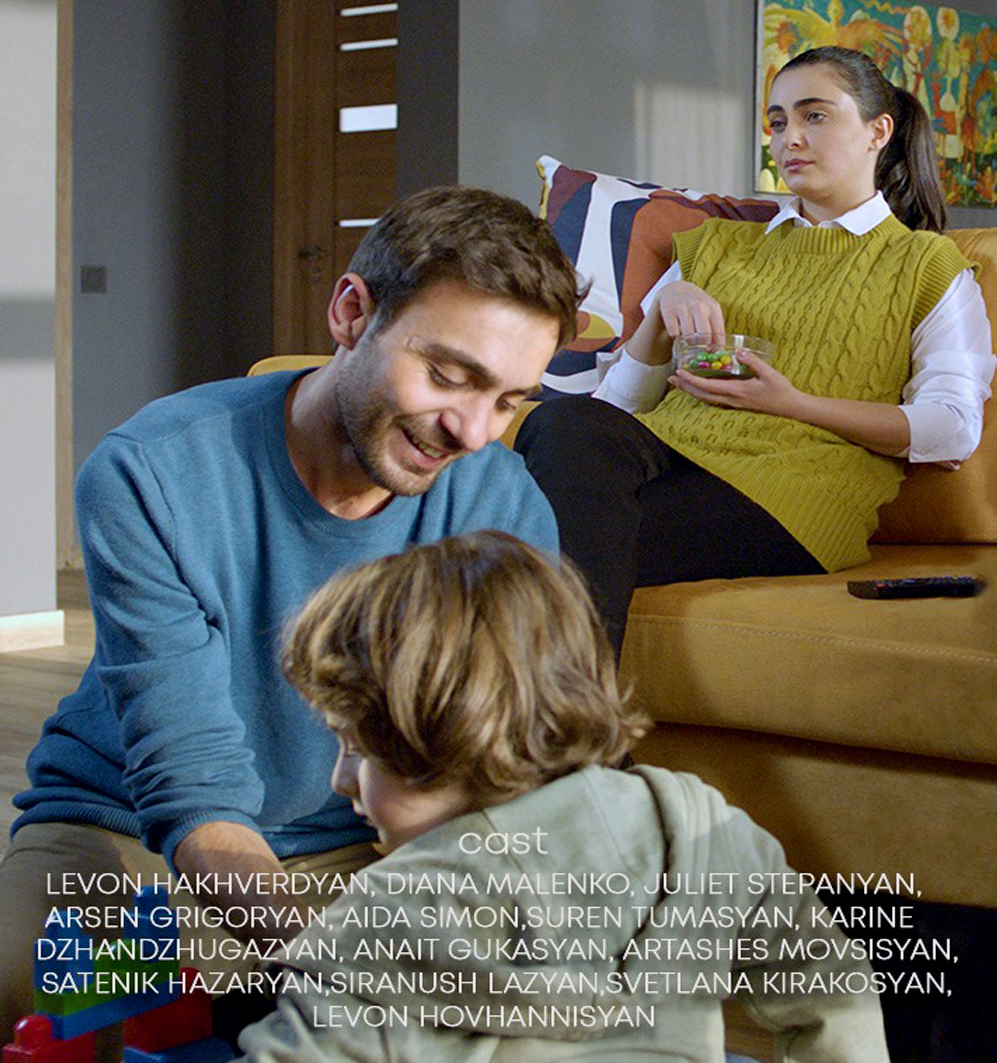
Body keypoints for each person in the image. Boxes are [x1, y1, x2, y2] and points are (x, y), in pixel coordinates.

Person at [0, 186, 581, 1046]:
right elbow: (193, 790)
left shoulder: (503, 506)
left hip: (370, 845)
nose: (471, 431)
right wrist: (341, 971)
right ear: (351, 312)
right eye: (449, 377)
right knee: (33, 997)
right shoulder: (152, 474)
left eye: (507, 400)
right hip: (136, 842)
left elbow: (506, 782)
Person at [238, 529, 892, 1063]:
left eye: (356, 747)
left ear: (438, 733)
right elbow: (835, 990)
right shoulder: (699, 827)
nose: (341, 779)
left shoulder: (389, 916)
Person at [515, 46, 997, 652]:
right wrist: (660, 315)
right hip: (670, 456)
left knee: (528, 544)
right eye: (777, 121)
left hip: (793, 498)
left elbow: (952, 429)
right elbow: (614, 411)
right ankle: (570, 712)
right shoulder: (715, 247)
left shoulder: (926, 264)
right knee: (563, 420)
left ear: (878, 132)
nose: (789, 138)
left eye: (814, 116)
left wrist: (792, 404)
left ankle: (551, 704)